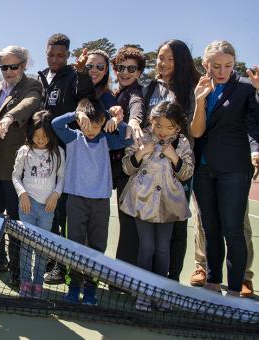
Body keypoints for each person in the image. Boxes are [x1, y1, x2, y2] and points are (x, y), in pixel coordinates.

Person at [191, 40, 259, 297]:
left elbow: (256, 124)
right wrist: (199, 101)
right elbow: (197, 132)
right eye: (216, 66)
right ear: (205, 64)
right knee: (210, 228)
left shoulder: (245, 88)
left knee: (233, 230)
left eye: (228, 66)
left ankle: (234, 289)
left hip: (234, 169)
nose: (222, 71)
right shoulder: (200, 88)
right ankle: (212, 282)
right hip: (203, 170)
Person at [52, 97, 132, 305]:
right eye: (86, 125)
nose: (91, 130)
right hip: (76, 200)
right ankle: (73, 286)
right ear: (79, 122)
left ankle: (90, 289)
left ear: (103, 122)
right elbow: (55, 124)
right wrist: (74, 114)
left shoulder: (107, 139)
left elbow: (129, 139)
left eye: (96, 126)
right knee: (74, 245)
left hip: (100, 202)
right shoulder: (72, 138)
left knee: (97, 245)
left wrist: (118, 121)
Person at [131, 39, 200, 281]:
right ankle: (145, 282)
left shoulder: (191, 88)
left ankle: (171, 281)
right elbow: (140, 117)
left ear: (181, 61)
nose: (164, 62)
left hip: (175, 167)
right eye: (161, 57)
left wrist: (174, 154)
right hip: (149, 169)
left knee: (174, 228)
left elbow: (190, 127)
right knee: (148, 238)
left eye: (170, 58)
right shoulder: (151, 87)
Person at [119, 101, 194, 311]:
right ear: (151, 121)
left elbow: (187, 172)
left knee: (162, 248)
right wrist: (140, 153)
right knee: (147, 246)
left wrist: (174, 157)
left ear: (178, 127)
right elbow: (126, 167)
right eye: (158, 125)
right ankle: (143, 292)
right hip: (141, 201)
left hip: (168, 205)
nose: (162, 131)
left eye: (169, 127)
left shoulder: (181, 143)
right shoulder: (141, 137)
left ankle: (161, 292)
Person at [37, 34, 93, 285]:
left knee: (61, 213)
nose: (55, 59)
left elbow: (85, 97)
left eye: (61, 55)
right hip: (40, 156)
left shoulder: (73, 77)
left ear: (68, 56)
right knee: (44, 212)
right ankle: (48, 259)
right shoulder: (39, 78)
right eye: (51, 54)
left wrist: (82, 73)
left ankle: (61, 265)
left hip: (65, 157)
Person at [0, 45, 42, 286]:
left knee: (17, 223)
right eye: (4, 67)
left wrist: (9, 117)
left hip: (16, 170)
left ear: (24, 65)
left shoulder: (32, 85)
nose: (8, 72)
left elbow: (30, 103)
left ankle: (18, 271)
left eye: (13, 66)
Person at [12, 111, 65, 297]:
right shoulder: (24, 152)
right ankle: (25, 283)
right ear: (30, 134)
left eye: (44, 136)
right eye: (36, 136)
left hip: (47, 208)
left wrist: (56, 195)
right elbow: (16, 176)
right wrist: (23, 194)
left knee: (42, 247)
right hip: (27, 206)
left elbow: (61, 178)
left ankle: (37, 283)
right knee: (26, 246)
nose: (40, 140)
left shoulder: (58, 153)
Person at [108, 46, 146, 267]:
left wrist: (134, 121)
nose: (125, 72)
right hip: (119, 167)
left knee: (129, 221)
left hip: (131, 169)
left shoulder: (134, 93)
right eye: (121, 67)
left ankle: (125, 273)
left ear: (139, 72)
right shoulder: (117, 93)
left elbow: (136, 107)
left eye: (132, 68)